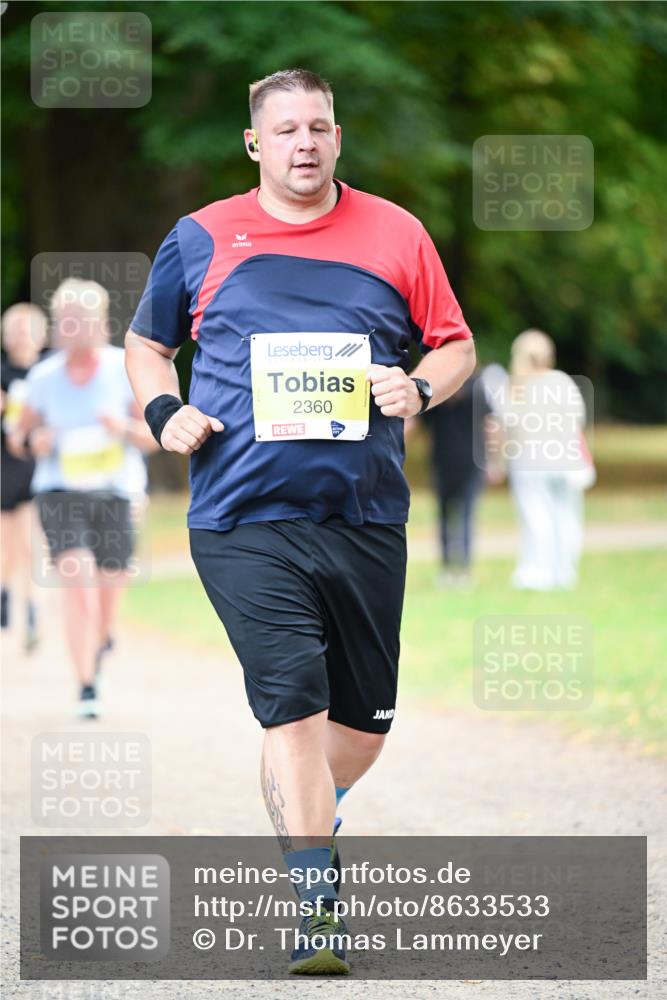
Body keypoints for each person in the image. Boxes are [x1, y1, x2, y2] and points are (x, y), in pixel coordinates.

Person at [125, 68, 475, 974]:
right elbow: (148, 344)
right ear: (255, 143)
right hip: (240, 516)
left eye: (318, 127)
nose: (303, 144)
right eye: (284, 131)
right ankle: (317, 909)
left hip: (364, 516)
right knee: (294, 706)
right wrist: (167, 415)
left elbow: (455, 342)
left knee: (358, 731)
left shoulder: (396, 232)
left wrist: (420, 386)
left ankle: (307, 806)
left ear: (337, 137)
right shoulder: (199, 237)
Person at [9, 279, 158, 718]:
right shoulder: (42, 376)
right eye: (66, 321)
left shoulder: (124, 369)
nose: (74, 328)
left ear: (102, 324)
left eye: (83, 320)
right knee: (77, 579)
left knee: (109, 588)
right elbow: (18, 437)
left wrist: (123, 430)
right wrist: (35, 439)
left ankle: (103, 635)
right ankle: (87, 684)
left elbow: (153, 437)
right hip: (59, 492)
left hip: (116, 492)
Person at [486, 329, 595, 590]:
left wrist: (497, 462)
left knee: (536, 517)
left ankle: (537, 572)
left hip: (528, 463)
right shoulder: (562, 382)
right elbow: (577, 422)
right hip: (564, 461)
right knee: (566, 516)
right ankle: (564, 572)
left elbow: (503, 429)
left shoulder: (515, 387)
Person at [1, 303, 48, 650]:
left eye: (26, 328)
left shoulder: (51, 372)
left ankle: (30, 606)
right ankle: (5, 596)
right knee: (7, 538)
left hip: (39, 463)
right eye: (14, 329)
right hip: (5, 463)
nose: (20, 336)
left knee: (31, 539)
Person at [420, 370, 492, 586]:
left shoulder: (435, 387)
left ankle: (448, 568)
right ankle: (463, 568)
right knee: (465, 515)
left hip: (443, 460)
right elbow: (488, 422)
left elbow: (423, 423)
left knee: (445, 516)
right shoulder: (477, 385)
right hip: (468, 461)